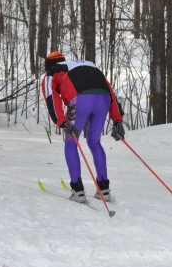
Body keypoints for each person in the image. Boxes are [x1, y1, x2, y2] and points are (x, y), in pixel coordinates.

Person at [41, 51, 125, 203]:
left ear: (48, 66)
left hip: (80, 101)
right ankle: (104, 189)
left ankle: (78, 190)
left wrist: (61, 121)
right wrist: (117, 120)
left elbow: (51, 98)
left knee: (71, 142)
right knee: (94, 141)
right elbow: (110, 92)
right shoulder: (88, 65)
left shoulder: (52, 73)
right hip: (103, 100)